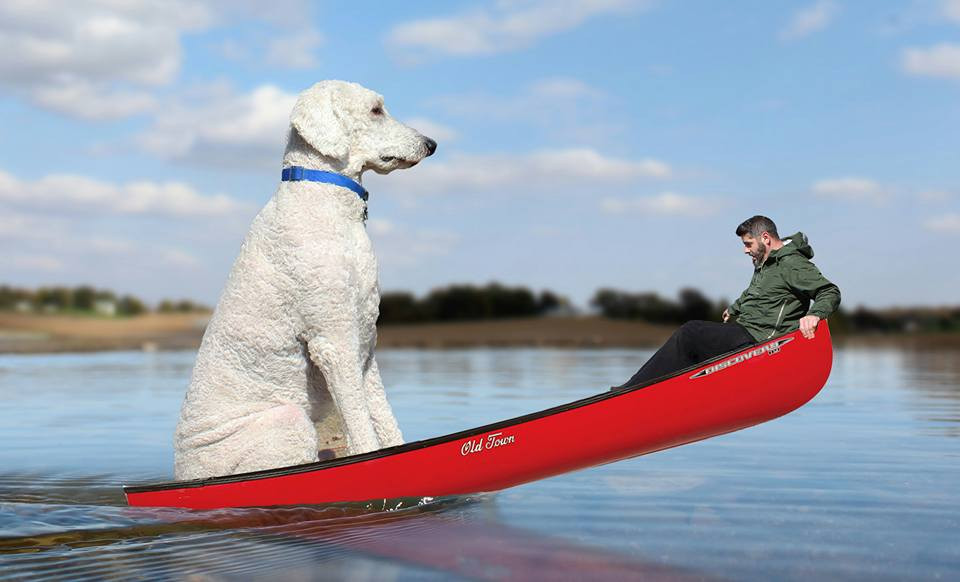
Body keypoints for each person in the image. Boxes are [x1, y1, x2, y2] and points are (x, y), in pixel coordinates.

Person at [614, 215, 840, 389]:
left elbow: (829, 291)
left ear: (766, 238)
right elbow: (757, 293)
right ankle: (658, 391)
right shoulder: (765, 261)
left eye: (748, 243)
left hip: (761, 340)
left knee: (690, 333)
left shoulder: (792, 264)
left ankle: (634, 389)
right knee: (695, 344)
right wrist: (734, 308)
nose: (745, 250)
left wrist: (814, 314)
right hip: (745, 329)